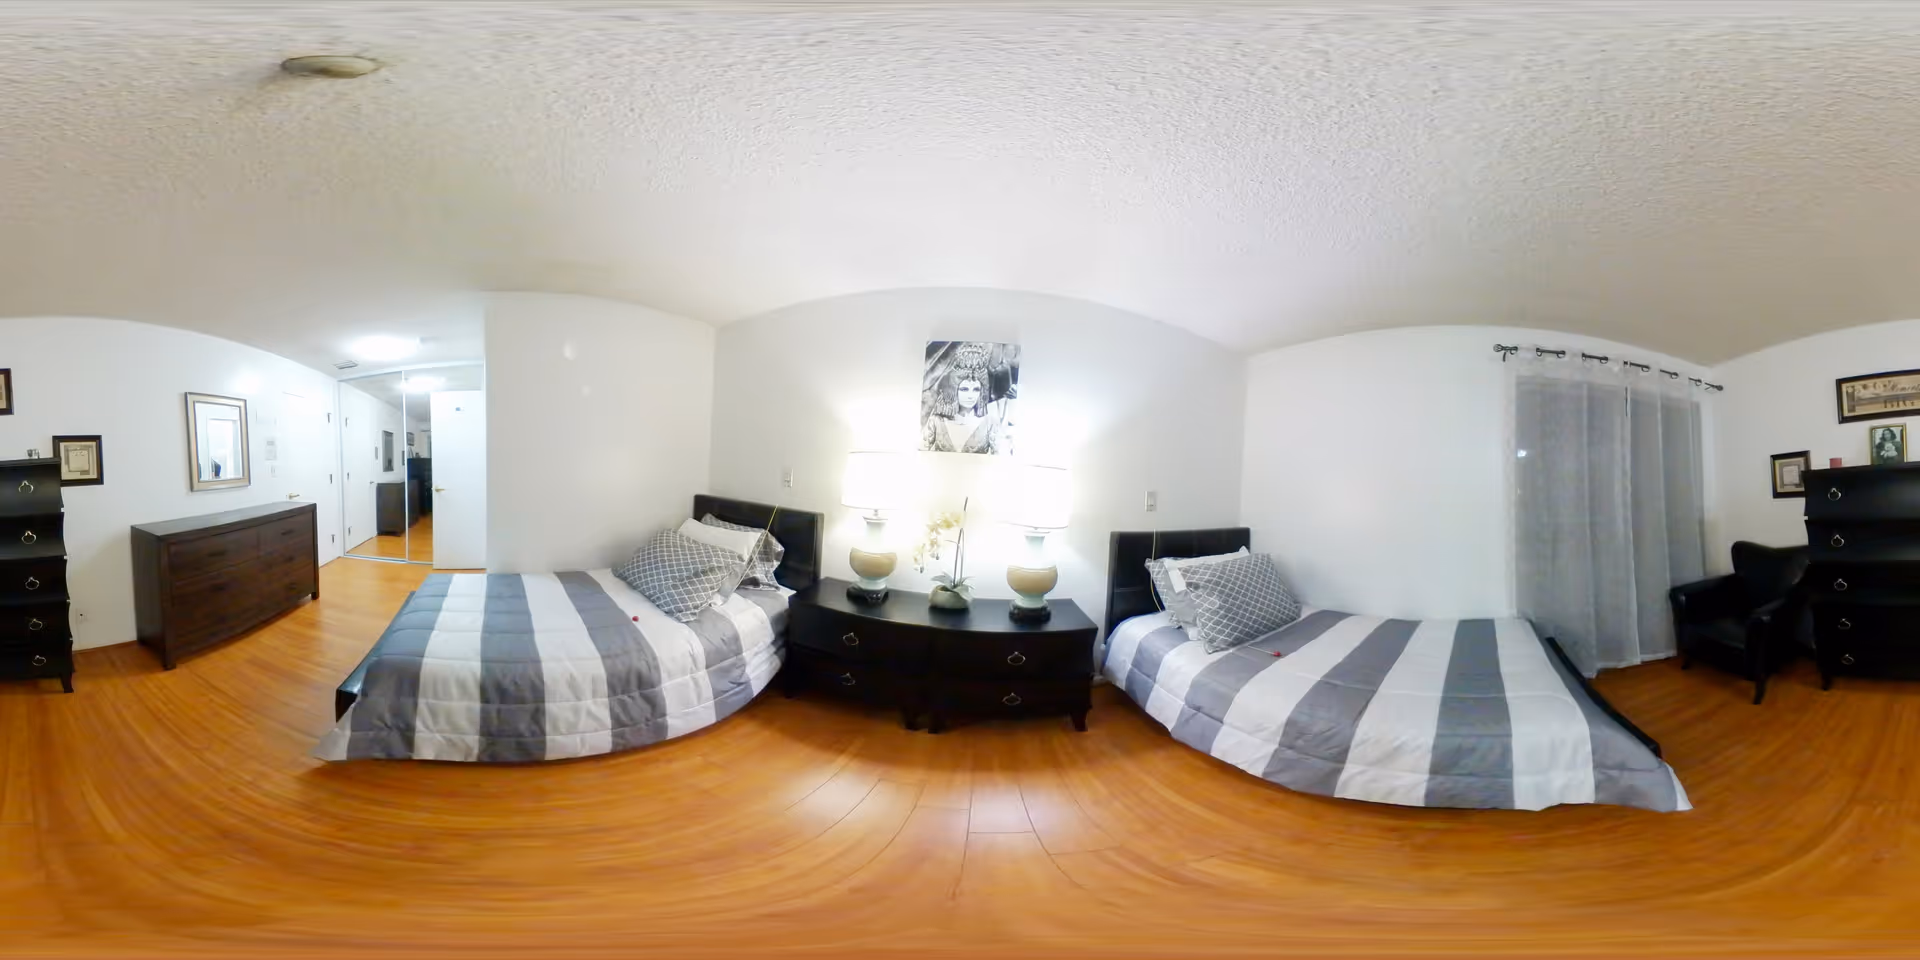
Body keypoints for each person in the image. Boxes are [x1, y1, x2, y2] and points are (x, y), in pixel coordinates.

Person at [921, 343, 1014, 455]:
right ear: (954, 389)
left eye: (975, 390)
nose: (970, 396)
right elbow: (920, 453)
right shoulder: (936, 421)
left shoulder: (990, 423)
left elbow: (1001, 458)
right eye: (964, 389)